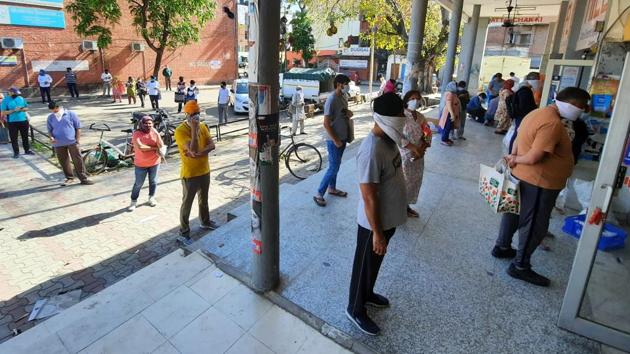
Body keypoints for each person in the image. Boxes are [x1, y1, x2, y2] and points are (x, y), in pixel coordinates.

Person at [492, 87, 590, 287]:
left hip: (526, 176)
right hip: (539, 181)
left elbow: (518, 138)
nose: (582, 110)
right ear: (568, 103)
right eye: (579, 106)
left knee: (513, 213)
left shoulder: (537, 113)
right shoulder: (553, 123)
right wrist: (516, 158)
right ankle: (520, 267)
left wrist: (514, 158)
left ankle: (502, 247)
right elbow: (536, 156)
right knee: (535, 223)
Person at [346, 92, 408, 336]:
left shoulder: (389, 140)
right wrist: (377, 233)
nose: (403, 117)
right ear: (387, 118)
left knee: (374, 263)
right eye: (400, 114)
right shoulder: (371, 150)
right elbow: (369, 196)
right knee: (363, 265)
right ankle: (355, 308)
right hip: (373, 225)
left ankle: (368, 293)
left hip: (386, 221)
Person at [174, 100, 218, 244]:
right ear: (186, 115)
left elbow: (212, 145)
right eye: (193, 114)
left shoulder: (204, 127)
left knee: (203, 200)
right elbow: (191, 150)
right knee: (187, 204)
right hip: (190, 174)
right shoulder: (180, 131)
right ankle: (184, 232)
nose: (196, 117)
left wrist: (201, 152)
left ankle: (205, 222)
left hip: (205, 171)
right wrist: (193, 130)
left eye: (198, 113)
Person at [313, 74, 353, 207]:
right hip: (334, 140)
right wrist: (335, 140)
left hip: (342, 138)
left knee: (336, 166)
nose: (347, 86)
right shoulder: (331, 99)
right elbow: (326, 123)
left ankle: (332, 188)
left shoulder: (343, 96)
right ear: (339, 84)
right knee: (333, 167)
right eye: (346, 83)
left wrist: (349, 113)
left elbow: (343, 113)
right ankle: (319, 193)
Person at [46, 101, 94, 186]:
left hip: (72, 142)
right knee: (63, 161)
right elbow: (50, 130)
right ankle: (69, 178)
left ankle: (83, 178)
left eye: (55, 110)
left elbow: (78, 127)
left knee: (77, 160)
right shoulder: (50, 118)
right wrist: (51, 137)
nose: (54, 112)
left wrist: (77, 140)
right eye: (52, 111)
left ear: (59, 107)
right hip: (58, 143)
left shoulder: (71, 114)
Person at [401, 90, 431, 217]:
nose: (415, 101)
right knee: (402, 182)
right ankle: (398, 208)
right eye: (412, 98)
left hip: (418, 156)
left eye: (417, 99)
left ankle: (406, 207)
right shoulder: (401, 116)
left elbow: (427, 133)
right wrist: (414, 149)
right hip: (404, 156)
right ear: (406, 100)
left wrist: (422, 149)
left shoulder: (420, 117)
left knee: (414, 182)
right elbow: (398, 136)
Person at [129, 115, 163, 211]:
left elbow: (161, 145)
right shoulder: (137, 134)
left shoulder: (154, 132)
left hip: (155, 162)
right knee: (138, 183)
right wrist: (155, 148)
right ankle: (133, 201)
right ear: (141, 124)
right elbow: (141, 147)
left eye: (150, 123)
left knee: (153, 182)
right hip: (141, 164)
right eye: (146, 123)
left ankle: (151, 197)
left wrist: (157, 134)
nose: (148, 125)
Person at [1, 88, 32, 158]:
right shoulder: (5, 100)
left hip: (23, 120)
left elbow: (26, 108)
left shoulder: (21, 98)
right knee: (14, 138)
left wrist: (21, 109)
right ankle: (16, 153)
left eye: (17, 93)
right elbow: (3, 112)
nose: (17, 95)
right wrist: (14, 110)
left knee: (25, 137)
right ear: (10, 92)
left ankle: (27, 150)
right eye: (15, 93)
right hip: (12, 122)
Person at [508, 80, 538, 152]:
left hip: (520, 116)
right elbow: (523, 106)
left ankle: (511, 152)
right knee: (517, 134)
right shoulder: (525, 92)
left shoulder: (521, 91)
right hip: (522, 116)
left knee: (517, 133)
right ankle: (511, 152)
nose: (532, 88)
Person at [438, 81, 460, 146]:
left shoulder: (454, 94)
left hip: (452, 112)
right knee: (446, 126)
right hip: (448, 113)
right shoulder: (449, 93)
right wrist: (452, 114)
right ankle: (444, 140)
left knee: (449, 126)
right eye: (456, 86)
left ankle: (446, 139)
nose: (457, 87)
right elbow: (448, 104)